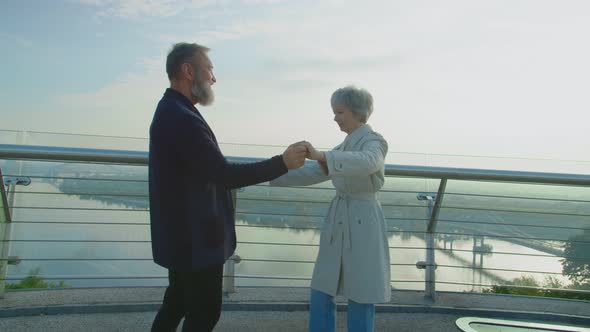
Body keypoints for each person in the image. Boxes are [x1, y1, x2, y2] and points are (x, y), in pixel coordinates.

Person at [148, 42, 307, 332]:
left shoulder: (172, 110)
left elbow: (206, 169)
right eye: (209, 69)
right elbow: (223, 174)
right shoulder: (181, 117)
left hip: (182, 237)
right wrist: (282, 163)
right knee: (204, 314)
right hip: (195, 241)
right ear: (187, 70)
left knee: (177, 304)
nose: (213, 78)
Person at [270, 86, 390, 332]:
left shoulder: (375, 142)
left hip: (364, 220)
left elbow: (368, 162)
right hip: (339, 219)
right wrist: (267, 172)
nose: (335, 118)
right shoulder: (344, 146)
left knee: (362, 291)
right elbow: (313, 171)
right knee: (322, 287)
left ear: (357, 112)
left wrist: (322, 155)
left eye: (339, 112)